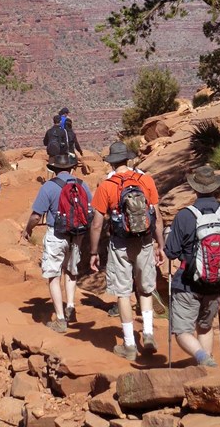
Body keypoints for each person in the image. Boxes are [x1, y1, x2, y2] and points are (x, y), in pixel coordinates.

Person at [89, 141, 166, 361]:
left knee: (123, 293)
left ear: (112, 162)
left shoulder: (106, 185)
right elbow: (157, 217)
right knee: (145, 288)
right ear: (128, 159)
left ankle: (130, 345)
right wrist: (160, 245)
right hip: (144, 241)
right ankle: (149, 334)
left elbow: (96, 223)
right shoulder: (146, 180)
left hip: (120, 243)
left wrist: (94, 252)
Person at [164, 166, 220, 367]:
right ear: (215, 188)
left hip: (187, 283)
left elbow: (170, 253)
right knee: (205, 327)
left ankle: (203, 358)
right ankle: (208, 369)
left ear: (194, 188)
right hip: (216, 283)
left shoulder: (184, 216)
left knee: (182, 331)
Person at [21, 154, 93, 332]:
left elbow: (37, 215)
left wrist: (27, 229)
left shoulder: (49, 186)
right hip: (77, 234)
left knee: (53, 274)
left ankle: (60, 319)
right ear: (72, 168)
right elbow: (91, 209)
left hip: (56, 234)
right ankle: (70, 305)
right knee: (70, 270)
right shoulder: (82, 185)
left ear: (54, 170)